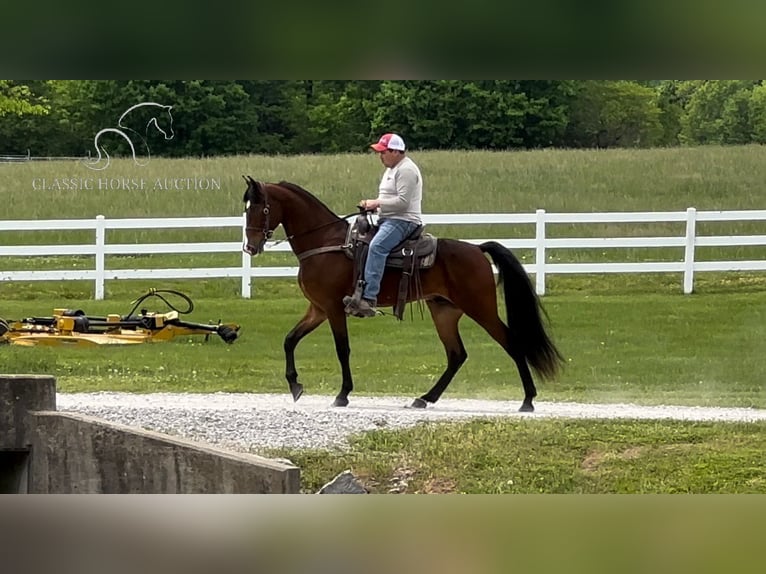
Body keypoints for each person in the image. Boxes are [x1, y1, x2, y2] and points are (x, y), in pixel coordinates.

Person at [344, 133, 423, 318]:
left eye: (383, 152)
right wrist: (376, 208)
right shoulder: (392, 169)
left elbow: (403, 202)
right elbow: (390, 199)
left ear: (396, 151)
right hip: (388, 219)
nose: (380, 156)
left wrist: (376, 203)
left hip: (403, 221)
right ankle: (358, 289)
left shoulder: (407, 170)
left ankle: (369, 298)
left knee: (377, 247)